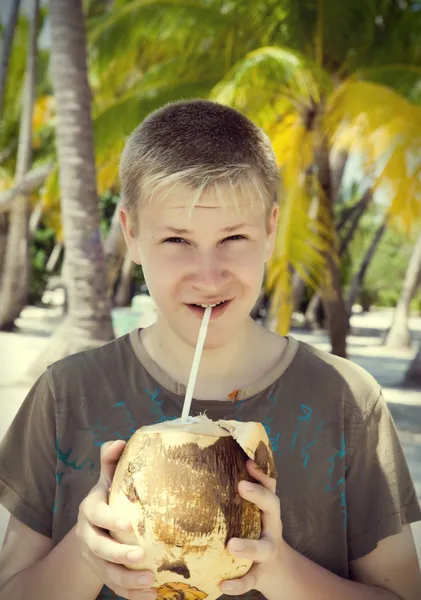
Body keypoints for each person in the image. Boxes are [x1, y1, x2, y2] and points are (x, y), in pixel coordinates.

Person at [0, 99, 420, 600]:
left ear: (270, 230)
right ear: (132, 235)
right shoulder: (67, 395)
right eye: (177, 239)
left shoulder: (346, 400)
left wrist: (277, 567)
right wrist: (88, 554)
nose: (208, 275)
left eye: (233, 237)